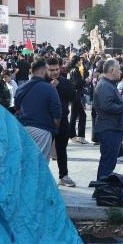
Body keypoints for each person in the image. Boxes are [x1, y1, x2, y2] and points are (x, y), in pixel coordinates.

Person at [94, 58, 123, 181]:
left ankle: (102, 189)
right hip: (109, 128)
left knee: (108, 162)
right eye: (118, 70)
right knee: (107, 162)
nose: (121, 72)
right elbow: (107, 106)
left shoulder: (108, 84)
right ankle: (101, 190)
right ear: (112, 70)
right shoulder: (105, 85)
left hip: (111, 127)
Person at [13, 59, 61, 159]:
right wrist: (55, 128)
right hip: (42, 131)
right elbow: (57, 113)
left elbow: (16, 108)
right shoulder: (50, 88)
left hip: (22, 128)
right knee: (40, 165)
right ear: (43, 71)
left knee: (26, 162)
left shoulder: (21, 87)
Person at [47, 58, 77, 187]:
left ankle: (63, 175)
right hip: (46, 121)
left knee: (61, 149)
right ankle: (42, 177)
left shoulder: (64, 82)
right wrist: (49, 88)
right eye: (51, 70)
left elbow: (73, 96)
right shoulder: (41, 83)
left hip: (63, 120)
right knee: (43, 150)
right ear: (46, 69)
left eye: (56, 69)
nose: (54, 72)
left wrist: (58, 85)